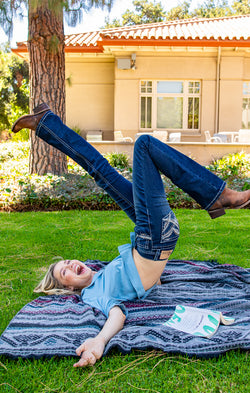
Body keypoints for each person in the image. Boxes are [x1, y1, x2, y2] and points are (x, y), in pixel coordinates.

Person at [12, 103, 250, 367]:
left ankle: (46, 124)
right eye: (64, 271)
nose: (70, 264)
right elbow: (117, 316)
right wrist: (99, 341)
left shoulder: (101, 273)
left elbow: (143, 283)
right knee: (144, 144)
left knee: (100, 171)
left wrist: (151, 279)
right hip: (153, 238)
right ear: (67, 288)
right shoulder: (92, 295)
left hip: (146, 233)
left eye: (67, 261)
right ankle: (219, 196)